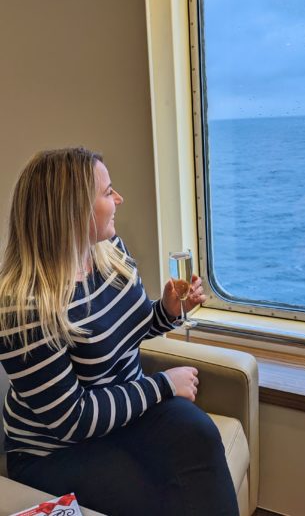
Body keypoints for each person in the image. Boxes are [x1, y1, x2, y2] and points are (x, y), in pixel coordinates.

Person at [0, 147, 239, 516]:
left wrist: (167, 312)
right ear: (72, 210)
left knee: (200, 435)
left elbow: (128, 331)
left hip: (124, 413)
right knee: (151, 495)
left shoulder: (108, 250)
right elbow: (72, 421)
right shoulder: (24, 307)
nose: (118, 199)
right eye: (107, 191)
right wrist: (163, 385)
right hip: (55, 447)